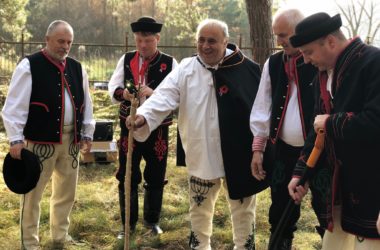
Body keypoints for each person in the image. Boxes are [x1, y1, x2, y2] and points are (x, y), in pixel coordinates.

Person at [126, 18, 267, 250]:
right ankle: (200, 247)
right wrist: (143, 116)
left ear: (226, 42)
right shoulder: (186, 68)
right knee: (199, 209)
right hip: (202, 150)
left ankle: (244, 246)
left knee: (243, 209)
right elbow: (164, 95)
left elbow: (263, 111)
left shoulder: (248, 69)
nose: (205, 46)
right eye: (201, 40)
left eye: (212, 41)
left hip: (239, 153)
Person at [287, 12, 380, 249]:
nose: (306, 60)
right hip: (341, 187)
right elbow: (317, 129)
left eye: (308, 52)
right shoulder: (324, 74)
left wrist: (330, 123)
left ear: (330, 41)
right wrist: (301, 174)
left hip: (373, 187)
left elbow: (375, 121)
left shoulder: (374, 62)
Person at [1, 20, 95, 250]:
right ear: (48, 39)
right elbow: (15, 106)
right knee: (32, 196)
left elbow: (87, 103)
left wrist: (87, 133)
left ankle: (59, 238)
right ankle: (29, 243)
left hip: (70, 140)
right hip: (39, 141)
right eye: (61, 41)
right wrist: (15, 139)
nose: (65, 46)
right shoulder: (29, 66)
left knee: (66, 194)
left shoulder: (77, 67)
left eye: (69, 42)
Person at [249, 8, 319, 249]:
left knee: (326, 208)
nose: (278, 41)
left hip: (320, 151)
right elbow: (262, 105)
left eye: (283, 35)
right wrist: (258, 149)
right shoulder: (274, 62)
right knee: (280, 207)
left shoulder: (319, 59)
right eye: (276, 35)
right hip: (283, 151)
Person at [108, 16, 178, 237]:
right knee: (127, 174)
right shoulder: (127, 59)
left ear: (157, 38)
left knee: (156, 174)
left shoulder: (170, 62)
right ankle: (127, 224)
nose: (143, 45)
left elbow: (176, 96)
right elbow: (113, 87)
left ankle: (152, 221)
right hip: (129, 125)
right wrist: (125, 94)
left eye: (147, 40)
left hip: (158, 129)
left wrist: (153, 93)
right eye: (139, 40)